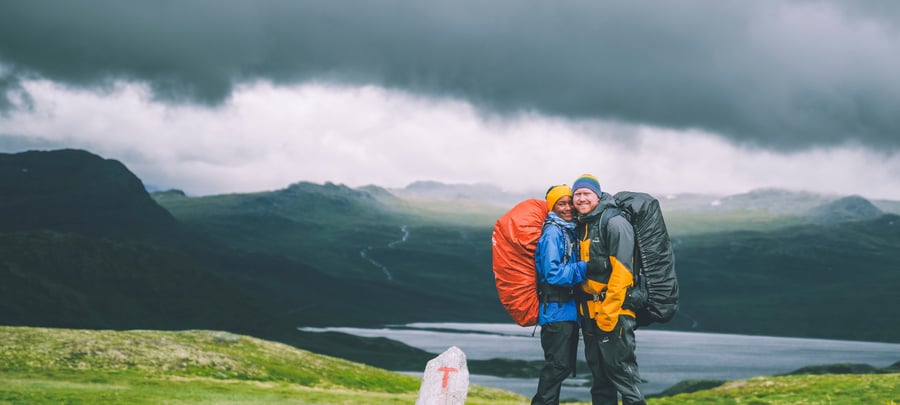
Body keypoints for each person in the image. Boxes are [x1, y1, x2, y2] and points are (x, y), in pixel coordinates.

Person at [571, 174, 646, 405]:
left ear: (598, 195)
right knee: (600, 380)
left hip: (614, 313)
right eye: (577, 195)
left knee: (624, 377)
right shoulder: (583, 225)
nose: (582, 199)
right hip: (591, 314)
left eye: (586, 194)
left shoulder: (614, 223)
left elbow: (623, 272)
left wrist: (609, 313)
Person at [531, 184, 587, 405]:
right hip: (556, 312)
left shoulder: (568, 230)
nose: (568, 208)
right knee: (558, 367)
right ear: (552, 207)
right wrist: (586, 267)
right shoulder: (553, 232)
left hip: (566, 312)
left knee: (560, 368)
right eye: (560, 204)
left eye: (569, 203)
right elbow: (552, 274)